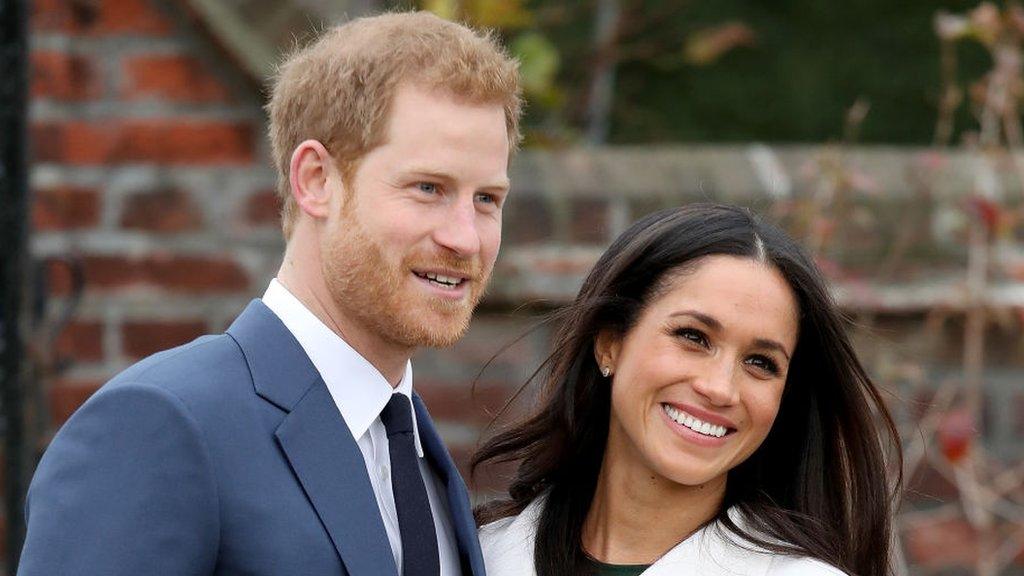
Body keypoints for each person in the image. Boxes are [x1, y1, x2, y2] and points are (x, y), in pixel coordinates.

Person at [19, 11, 521, 576]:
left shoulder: (421, 461)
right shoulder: (162, 423)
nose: (464, 237)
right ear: (315, 180)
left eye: (487, 200)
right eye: (427, 188)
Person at [473, 204, 902, 576]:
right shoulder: (474, 555)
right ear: (610, 343)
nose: (720, 389)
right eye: (693, 337)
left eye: (760, 363)